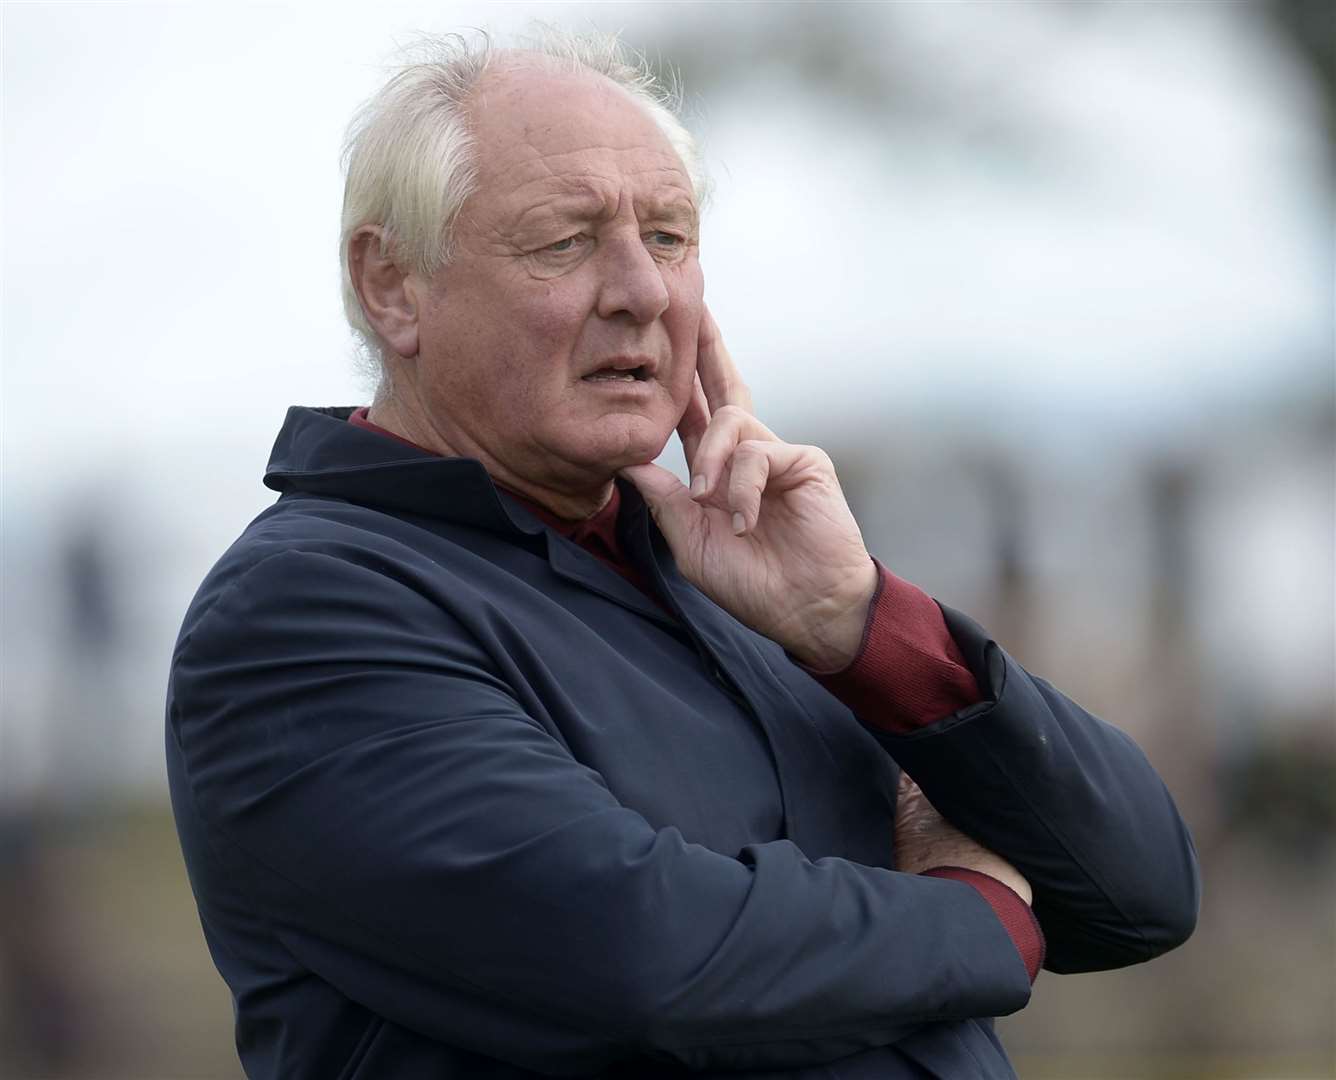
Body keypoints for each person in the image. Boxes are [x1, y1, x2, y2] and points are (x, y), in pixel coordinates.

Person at [165, 29, 1199, 1080]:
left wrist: (856, 623)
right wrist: (975, 916)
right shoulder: (303, 612)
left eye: (667, 237)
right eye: (563, 242)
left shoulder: (734, 572)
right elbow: (650, 955)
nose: (642, 293)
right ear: (392, 287)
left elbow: (1138, 892)